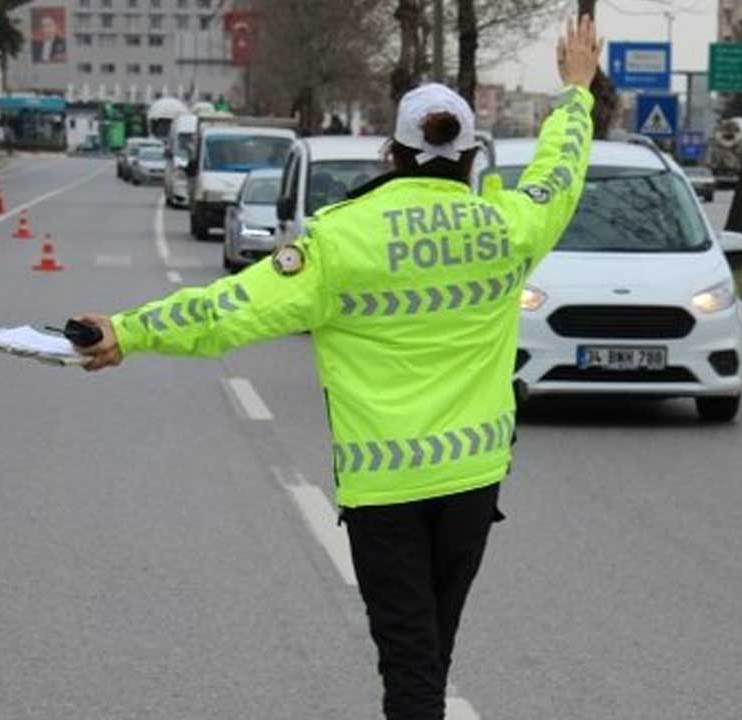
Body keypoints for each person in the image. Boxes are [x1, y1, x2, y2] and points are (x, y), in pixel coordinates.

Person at [67, 15, 603, 720]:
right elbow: (558, 175)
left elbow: (230, 308)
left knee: (410, 661)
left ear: (391, 153)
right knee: (431, 653)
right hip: (472, 480)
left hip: (387, 491)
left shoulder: (339, 240)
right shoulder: (506, 230)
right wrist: (576, 94)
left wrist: (128, 332)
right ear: (472, 156)